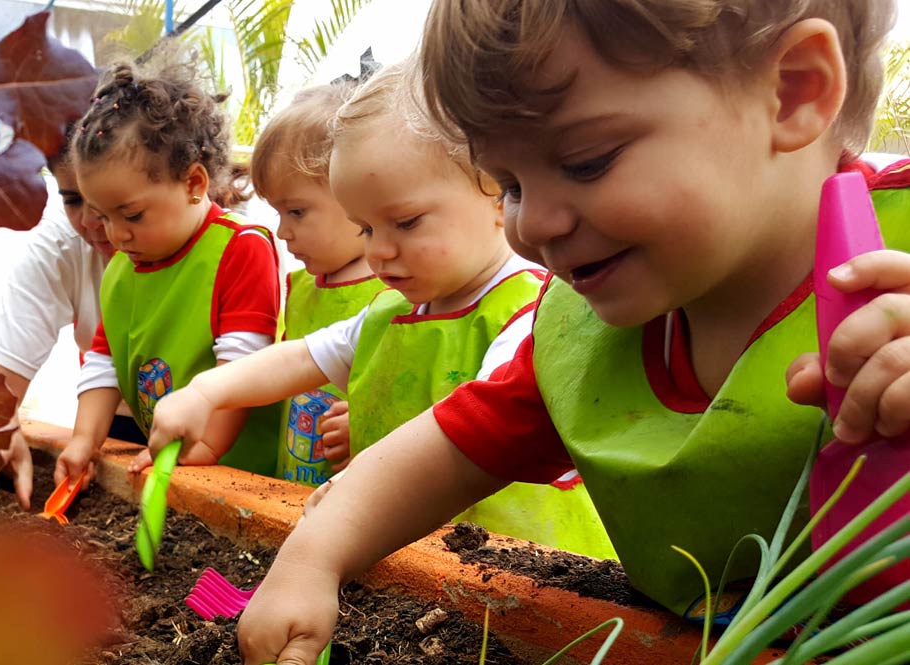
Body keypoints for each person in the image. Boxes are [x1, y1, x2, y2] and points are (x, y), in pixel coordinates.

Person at [234, 1, 910, 662]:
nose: (533, 227)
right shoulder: (589, 330)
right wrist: (314, 554)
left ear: (793, 92)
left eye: (587, 161)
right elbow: (454, 443)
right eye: (512, 183)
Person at [141, 60, 612, 557]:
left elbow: (474, 438)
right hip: (412, 564)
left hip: (523, 576)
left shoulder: (526, 316)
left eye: (406, 223)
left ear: (496, 193)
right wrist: (206, 393)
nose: (379, 251)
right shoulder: (390, 312)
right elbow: (303, 357)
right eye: (365, 228)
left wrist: (351, 500)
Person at [54, 59, 281, 486]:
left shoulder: (241, 247)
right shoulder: (124, 265)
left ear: (194, 183)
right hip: (173, 465)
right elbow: (103, 360)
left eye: (133, 215)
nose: (116, 235)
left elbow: (242, 364)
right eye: (103, 217)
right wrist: (85, 440)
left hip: (238, 473)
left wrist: (206, 447)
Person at [250, 81, 384, 486]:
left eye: (296, 211)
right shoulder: (300, 288)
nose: (282, 231)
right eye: (277, 212)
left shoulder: (398, 291)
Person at [0, 137, 117, 509]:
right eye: (72, 199)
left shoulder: (226, 249)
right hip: (108, 422)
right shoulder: (59, 242)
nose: (89, 220)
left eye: (112, 201)